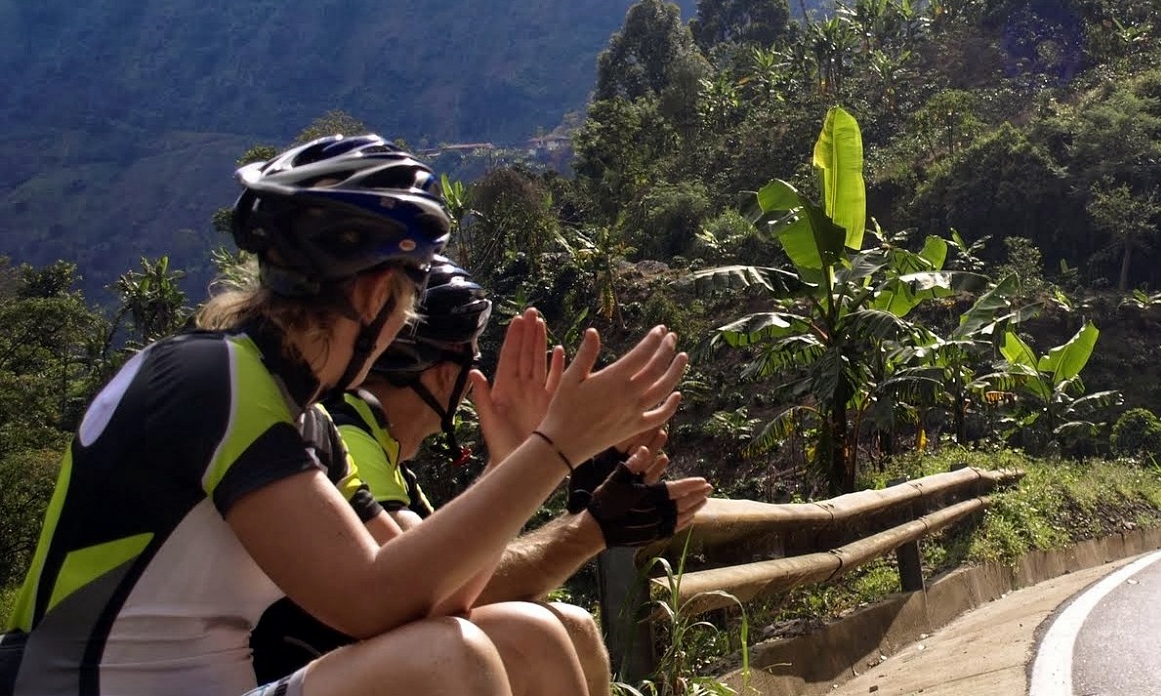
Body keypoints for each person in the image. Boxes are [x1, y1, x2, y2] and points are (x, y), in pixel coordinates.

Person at [4, 134, 687, 696]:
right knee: (444, 661)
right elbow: (369, 601)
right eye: (407, 303)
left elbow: (439, 593)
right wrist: (554, 448)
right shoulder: (211, 379)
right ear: (370, 295)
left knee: (521, 637)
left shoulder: (302, 420)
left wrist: (520, 457)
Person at [251, 256, 713, 695]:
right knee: (533, 636)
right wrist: (574, 497)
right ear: (440, 375)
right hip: (295, 666)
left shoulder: (374, 444)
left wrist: (524, 461)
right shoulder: (349, 433)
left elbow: (452, 584)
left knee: (568, 625)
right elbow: (421, 594)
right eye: (470, 360)